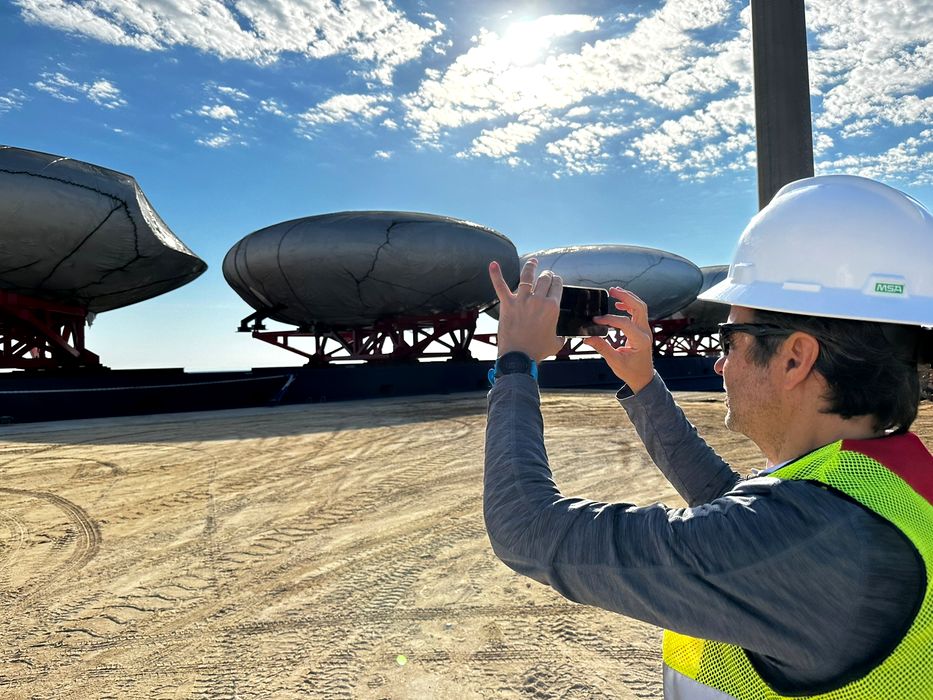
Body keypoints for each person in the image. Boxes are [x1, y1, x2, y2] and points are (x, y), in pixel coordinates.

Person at [483, 175, 933, 699]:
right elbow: (731, 503)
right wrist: (643, 384)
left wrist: (515, 362)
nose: (719, 363)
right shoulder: (880, 486)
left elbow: (525, 528)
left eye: (729, 339)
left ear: (795, 358)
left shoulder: (809, 538)